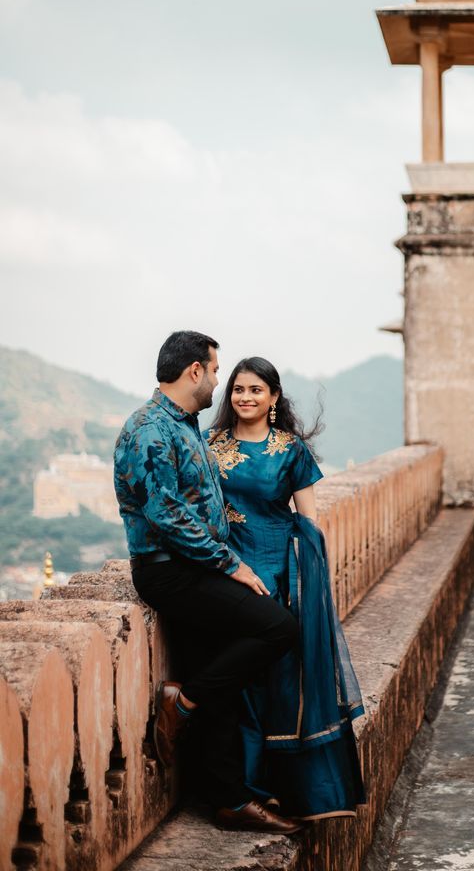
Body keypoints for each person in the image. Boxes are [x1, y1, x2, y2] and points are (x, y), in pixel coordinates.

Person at [113, 331, 302, 834]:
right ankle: (183, 701)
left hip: (194, 569)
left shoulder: (184, 425)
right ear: (195, 370)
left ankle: (229, 799)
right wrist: (232, 564)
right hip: (170, 572)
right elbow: (166, 514)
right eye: (216, 372)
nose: (219, 383)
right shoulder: (149, 429)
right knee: (278, 628)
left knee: (215, 671)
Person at [206, 356, 366, 820]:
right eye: (238, 389)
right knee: (244, 682)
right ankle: (250, 786)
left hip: (283, 574)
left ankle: (288, 789)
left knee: (283, 680)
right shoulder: (209, 447)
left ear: (274, 397)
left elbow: (310, 522)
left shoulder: (291, 450)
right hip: (231, 573)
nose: (246, 397)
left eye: (256, 389)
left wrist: (305, 582)